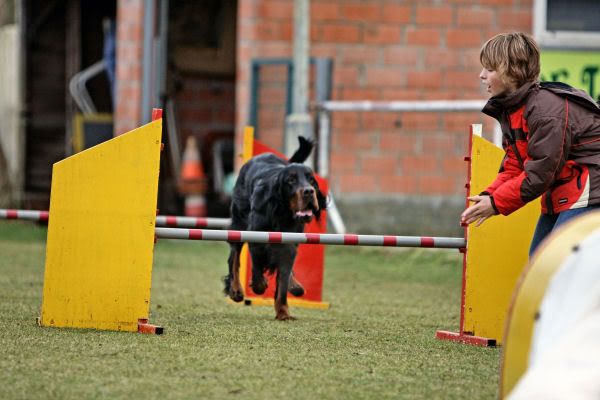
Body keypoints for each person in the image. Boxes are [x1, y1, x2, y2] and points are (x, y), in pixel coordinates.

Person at [460, 32, 600, 256]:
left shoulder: (545, 112)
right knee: (538, 259)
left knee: (557, 260)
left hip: (591, 189)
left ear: (512, 72)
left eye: (490, 69)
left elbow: (539, 174)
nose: (481, 75)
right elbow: (515, 165)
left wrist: (496, 203)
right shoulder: (514, 109)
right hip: (567, 188)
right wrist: (489, 195)